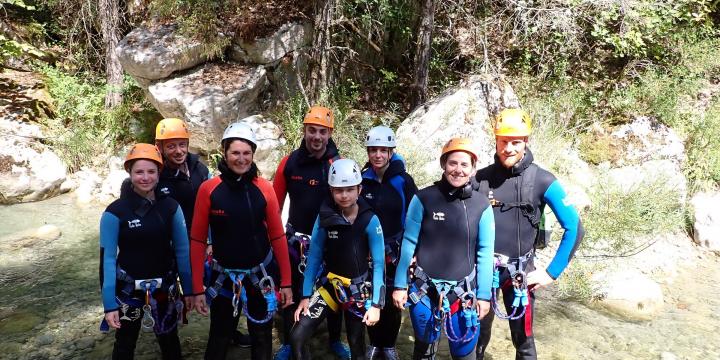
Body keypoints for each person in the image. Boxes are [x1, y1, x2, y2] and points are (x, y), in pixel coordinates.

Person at [474, 108, 585, 360]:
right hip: (482, 272)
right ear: (496, 141)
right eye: (504, 142)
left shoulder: (543, 180)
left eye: (515, 142)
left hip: (521, 273)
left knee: (523, 341)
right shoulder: (480, 178)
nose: (509, 148)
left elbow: (575, 227)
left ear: (525, 141)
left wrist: (550, 273)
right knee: (477, 336)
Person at [188, 122, 294, 360]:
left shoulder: (264, 188)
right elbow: (196, 240)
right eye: (235, 153)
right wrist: (196, 288)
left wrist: (286, 282)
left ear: (253, 155)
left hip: (259, 276)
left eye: (247, 153)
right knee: (220, 335)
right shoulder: (209, 189)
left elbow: (277, 237)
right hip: (224, 278)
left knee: (262, 336)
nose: (241, 159)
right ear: (225, 153)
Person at [392, 138, 495, 360]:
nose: (458, 170)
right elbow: (409, 243)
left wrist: (484, 296)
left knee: (464, 354)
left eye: (464, 164)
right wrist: (400, 285)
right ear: (443, 164)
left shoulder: (482, 206)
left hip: (464, 296)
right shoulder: (424, 199)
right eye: (452, 163)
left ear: (473, 169)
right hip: (424, 292)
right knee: (424, 351)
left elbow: (485, 253)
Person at [99, 143, 193, 360]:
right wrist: (109, 305)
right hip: (129, 292)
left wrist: (189, 291)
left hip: (164, 289)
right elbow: (108, 260)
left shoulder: (170, 207)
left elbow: (181, 251)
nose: (145, 177)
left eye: (151, 171)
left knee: (170, 341)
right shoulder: (115, 212)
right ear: (129, 173)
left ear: (159, 173)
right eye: (139, 172)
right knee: (125, 343)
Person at [272, 105, 350, 359]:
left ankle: (335, 339)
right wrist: (274, 240)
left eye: (322, 132)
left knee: (334, 289)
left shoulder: (337, 164)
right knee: (291, 289)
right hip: (297, 239)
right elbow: (275, 204)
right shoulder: (289, 162)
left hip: (330, 239)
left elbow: (348, 203)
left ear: (330, 134)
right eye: (312, 131)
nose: (316, 137)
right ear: (304, 131)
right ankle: (288, 341)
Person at [289, 159, 385, 360]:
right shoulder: (325, 217)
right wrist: (306, 296)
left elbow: (378, 264)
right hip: (331, 287)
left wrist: (376, 304)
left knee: (356, 344)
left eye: (349, 189)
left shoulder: (370, 220)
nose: (344, 195)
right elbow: (314, 257)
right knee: (297, 336)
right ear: (331, 191)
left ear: (359, 189)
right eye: (338, 190)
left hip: (358, 292)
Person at [360, 126, 418, 360]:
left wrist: (413, 251)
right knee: (370, 294)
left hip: (395, 249)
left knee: (395, 296)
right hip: (367, 250)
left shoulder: (403, 181)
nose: (378, 155)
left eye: (383, 150)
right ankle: (374, 343)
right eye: (373, 150)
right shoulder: (362, 179)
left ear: (392, 151)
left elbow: (414, 218)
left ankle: (389, 344)